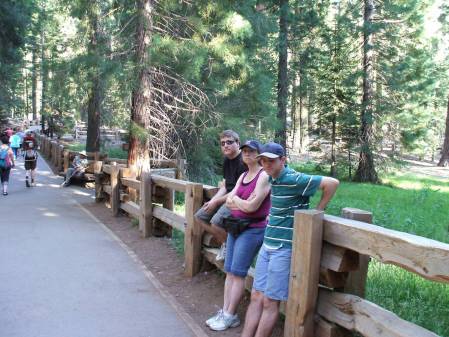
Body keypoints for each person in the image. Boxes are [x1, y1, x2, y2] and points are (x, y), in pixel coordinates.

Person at [241, 142, 339, 337]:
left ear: (283, 160)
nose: (266, 165)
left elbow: (332, 183)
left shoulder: (294, 178)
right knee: (256, 295)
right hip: (268, 243)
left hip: (284, 247)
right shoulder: (272, 178)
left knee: (270, 301)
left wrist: (317, 211)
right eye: (263, 161)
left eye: (271, 161)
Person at [206, 140, 271, 331]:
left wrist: (240, 202)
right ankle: (226, 311)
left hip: (253, 229)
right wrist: (242, 201)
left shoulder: (263, 176)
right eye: (244, 151)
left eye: (251, 151)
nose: (247, 154)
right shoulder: (243, 175)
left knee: (238, 272)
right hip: (237, 227)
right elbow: (231, 200)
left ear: (259, 155)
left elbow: (253, 206)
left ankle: (230, 314)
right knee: (230, 270)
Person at [195, 130, 247, 261]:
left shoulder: (243, 162)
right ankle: (226, 242)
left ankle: (229, 248)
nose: (225, 146)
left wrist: (216, 202)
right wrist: (213, 200)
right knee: (199, 217)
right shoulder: (226, 160)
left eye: (229, 142)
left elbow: (237, 190)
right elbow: (225, 186)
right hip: (227, 196)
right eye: (222, 143)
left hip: (238, 199)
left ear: (238, 143)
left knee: (215, 223)